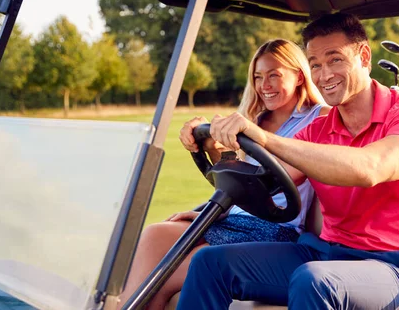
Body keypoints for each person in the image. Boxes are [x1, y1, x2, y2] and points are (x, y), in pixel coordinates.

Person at [176, 13, 399, 310]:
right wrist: (215, 149)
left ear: (364, 56)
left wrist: (265, 138)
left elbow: (371, 167)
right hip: (322, 253)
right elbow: (263, 183)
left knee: (314, 280)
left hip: (394, 271)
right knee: (209, 263)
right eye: (315, 64)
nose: (324, 75)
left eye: (335, 60)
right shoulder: (318, 130)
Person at [117, 39, 329, 310]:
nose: (264, 85)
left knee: (165, 276)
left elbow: (273, 183)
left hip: (276, 228)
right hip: (233, 219)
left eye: (274, 75)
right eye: (258, 77)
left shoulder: (319, 118)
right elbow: (237, 178)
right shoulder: (254, 119)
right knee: (154, 235)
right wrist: (210, 150)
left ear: (299, 76)